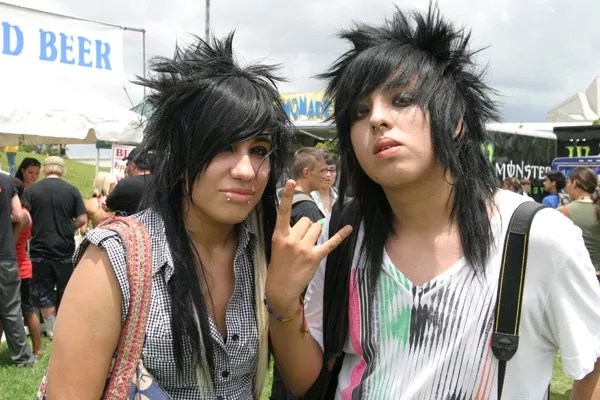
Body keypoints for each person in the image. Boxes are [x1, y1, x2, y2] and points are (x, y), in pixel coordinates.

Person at [266, 6, 600, 399]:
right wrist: (282, 301)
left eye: (402, 99)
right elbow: (306, 378)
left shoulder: (536, 237)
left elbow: (592, 367)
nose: (376, 119)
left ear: (455, 119)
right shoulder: (341, 235)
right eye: (359, 111)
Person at [45, 33, 290, 399]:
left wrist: (286, 298)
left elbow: (300, 378)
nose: (245, 170)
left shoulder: (261, 251)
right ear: (179, 156)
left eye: (258, 149)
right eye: (223, 146)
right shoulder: (115, 258)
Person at [24, 156, 87, 339]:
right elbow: (82, 219)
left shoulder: (32, 190)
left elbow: (25, 218)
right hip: (64, 249)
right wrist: (68, 228)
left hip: (39, 248)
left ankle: (52, 329)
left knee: (44, 291)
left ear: (45, 169)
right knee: (65, 289)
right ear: (62, 170)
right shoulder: (72, 190)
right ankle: (65, 327)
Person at [0, 178, 44, 357]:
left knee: (26, 310)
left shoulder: (23, 216)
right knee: (9, 310)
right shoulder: (23, 213)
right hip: (18, 264)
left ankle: (37, 349)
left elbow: (13, 242)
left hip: (19, 266)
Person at [562, 167, 600, 281]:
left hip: (576, 278)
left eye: (568, 182)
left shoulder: (562, 212)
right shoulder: (597, 209)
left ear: (574, 183)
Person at [103, 147, 153, 216]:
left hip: (129, 221)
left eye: (127, 164)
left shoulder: (125, 184)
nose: (126, 167)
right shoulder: (160, 182)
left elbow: (108, 206)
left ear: (133, 165)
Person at [288, 147, 326, 226]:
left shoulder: (280, 195)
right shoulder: (308, 208)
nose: (324, 176)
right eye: (321, 171)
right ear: (306, 173)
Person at [311, 152, 339, 217]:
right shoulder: (307, 198)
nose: (328, 175)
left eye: (332, 170)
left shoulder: (341, 199)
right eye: (323, 170)